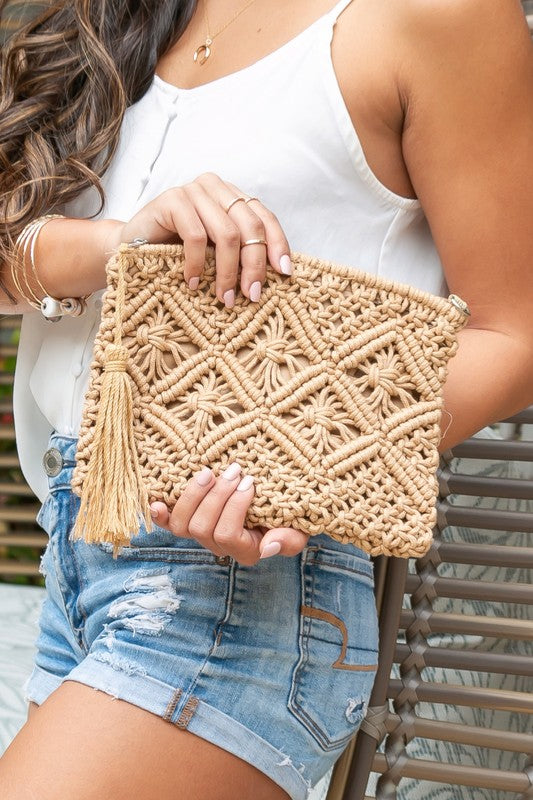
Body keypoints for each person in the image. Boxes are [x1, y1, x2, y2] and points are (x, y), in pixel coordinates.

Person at [0, 1, 531, 798]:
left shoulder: (432, 15)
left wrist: (294, 475)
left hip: (242, 592)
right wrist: (123, 245)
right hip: (76, 543)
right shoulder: (115, 16)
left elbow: (514, 335)